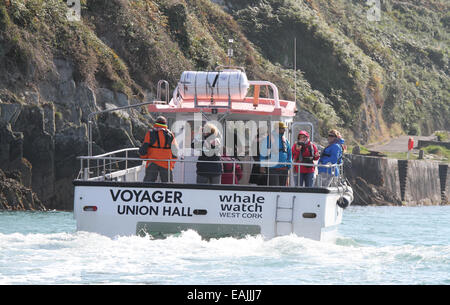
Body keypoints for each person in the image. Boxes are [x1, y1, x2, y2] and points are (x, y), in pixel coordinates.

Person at [139, 116, 178, 182]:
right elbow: (175, 151)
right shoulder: (171, 135)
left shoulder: (150, 133)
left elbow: (144, 149)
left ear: (156, 123)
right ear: (165, 124)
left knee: (148, 183)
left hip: (152, 162)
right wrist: (172, 163)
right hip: (166, 163)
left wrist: (144, 157)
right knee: (168, 184)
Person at [259, 122, 292, 186]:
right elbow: (263, 153)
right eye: (283, 128)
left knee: (282, 188)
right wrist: (262, 166)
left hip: (284, 168)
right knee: (274, 187)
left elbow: (289, 153)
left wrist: (289, 164)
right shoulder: (268, 139)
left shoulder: (285, 140)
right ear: (277, 129)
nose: (284, 130)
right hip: (273, 169)